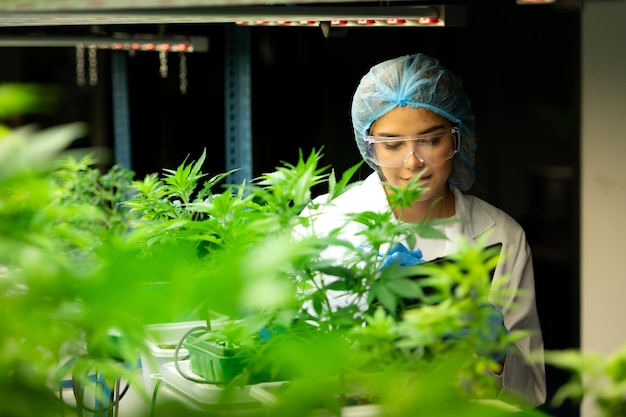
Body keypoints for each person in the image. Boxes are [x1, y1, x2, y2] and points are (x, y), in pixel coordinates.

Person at [297, 53, 546, 407]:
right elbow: (294, 364)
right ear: (368, 147)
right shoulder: (324, 222)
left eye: (430, 141)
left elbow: (529, 394)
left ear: (457, 137)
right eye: (393, 145)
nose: (413, 162)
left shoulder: (501, 235)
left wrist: (498, 350)